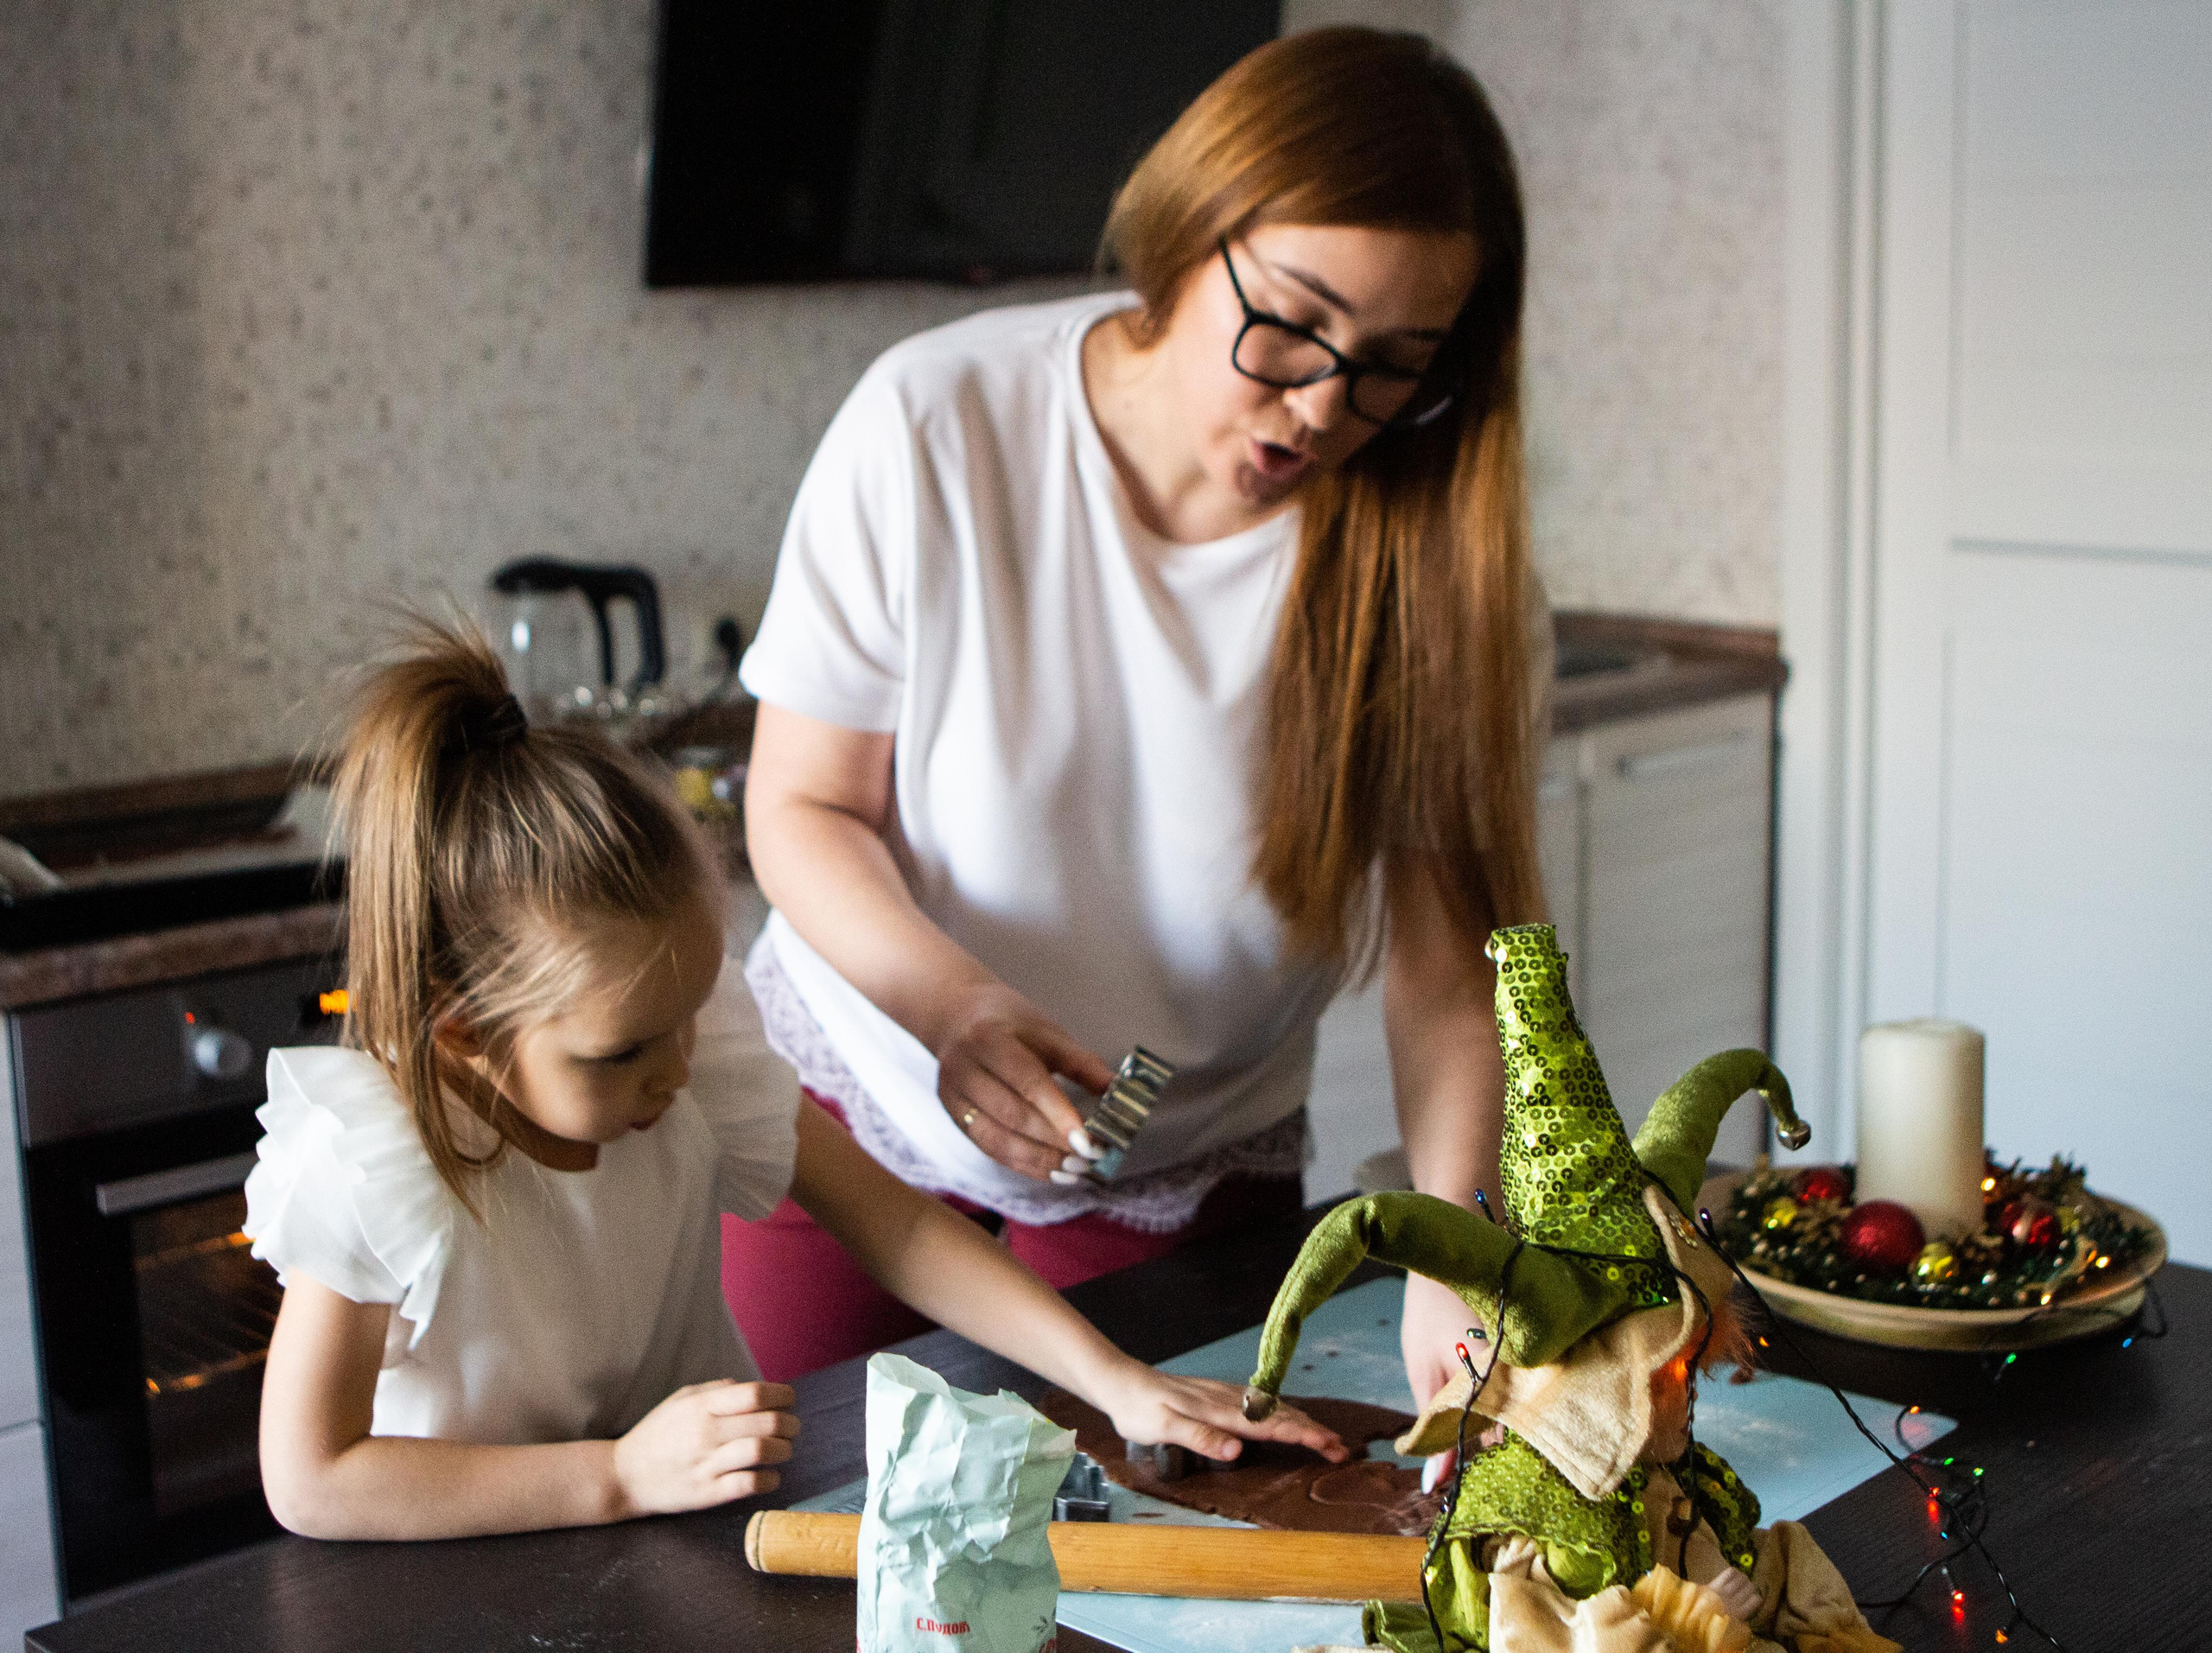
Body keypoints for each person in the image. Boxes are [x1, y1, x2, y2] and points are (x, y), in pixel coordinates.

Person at [734, 22, 1553, 1429]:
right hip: (851, 1126)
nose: (1321, 407)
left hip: (1176, 1171)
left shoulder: (1431, 558)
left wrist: (1449, 1242)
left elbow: (1442, 969)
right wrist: (954, 1004)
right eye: (1293, 323)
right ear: (1194, 226)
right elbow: (802, 804)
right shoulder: (937, 421)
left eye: (1393, 366)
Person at [244, 620, 1340, 1542]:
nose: (676, 1067)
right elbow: (314, 1475)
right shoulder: (375, 1158)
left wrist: (1114, 1378)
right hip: (467, 1587)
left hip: (678, 1545)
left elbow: (897, 1227)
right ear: (462, 1036)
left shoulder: (679, 1066)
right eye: (621, 1050)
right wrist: (617, 1474)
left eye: (686, 1017)